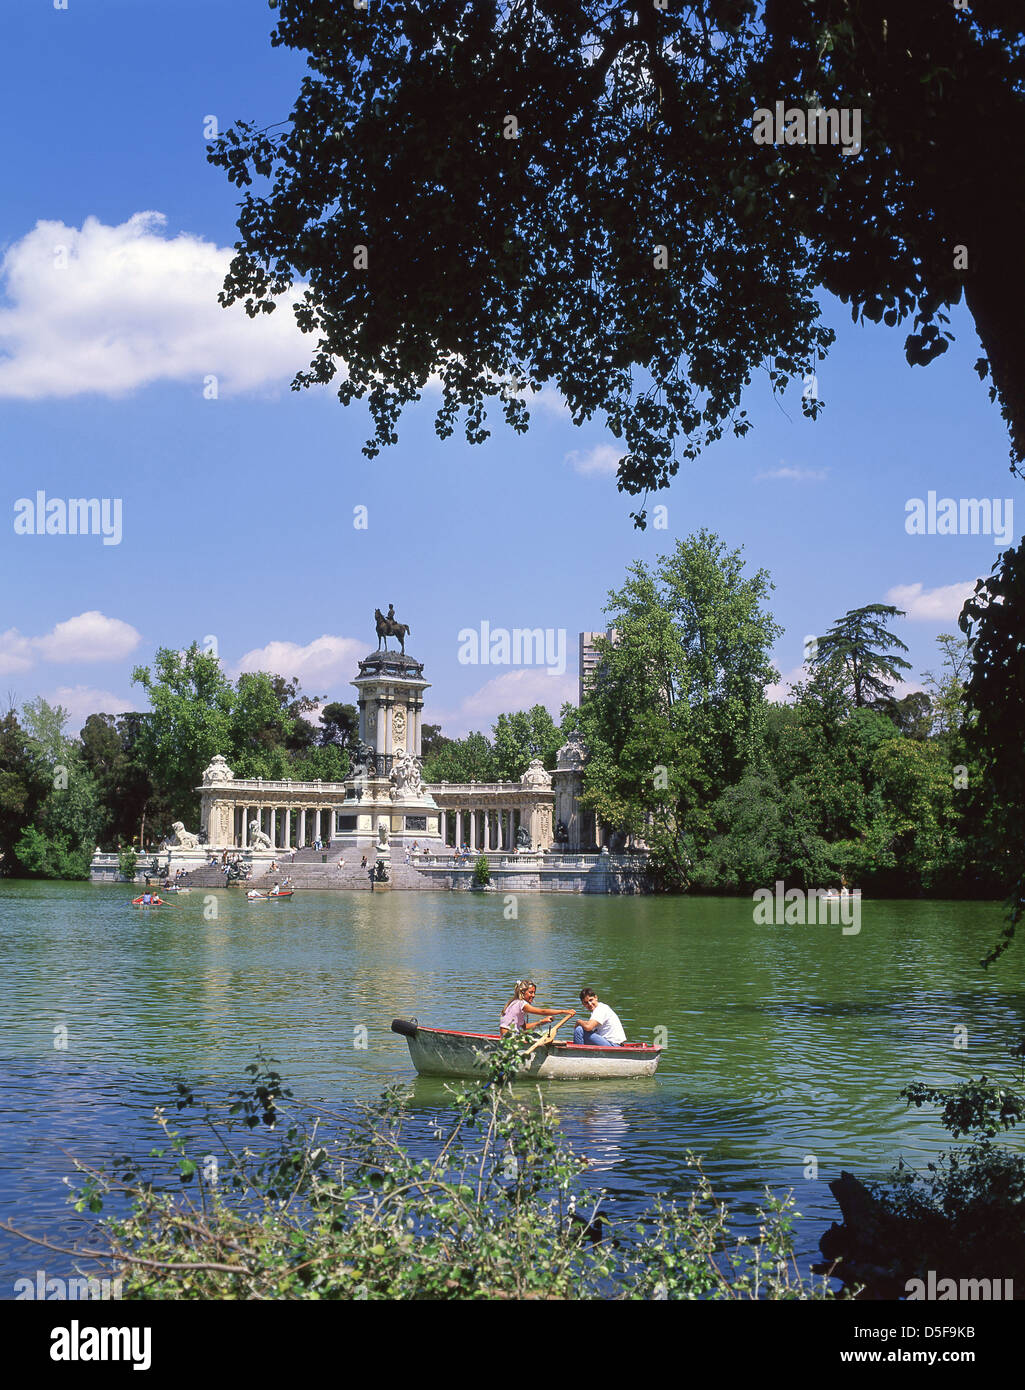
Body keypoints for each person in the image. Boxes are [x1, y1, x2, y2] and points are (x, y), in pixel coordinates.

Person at [499, 981, 574, 1037]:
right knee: (543, 1034)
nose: (533, 995)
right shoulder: (521, 1004)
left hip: (510, 1036)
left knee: (539, 1035)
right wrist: (564, 1011)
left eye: (534, 992)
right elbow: (542, 1011)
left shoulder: (515, 1002)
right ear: (523, 993)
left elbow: (525, 1028)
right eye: (530, 992)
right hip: (509, 1037)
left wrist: (542, 1022)